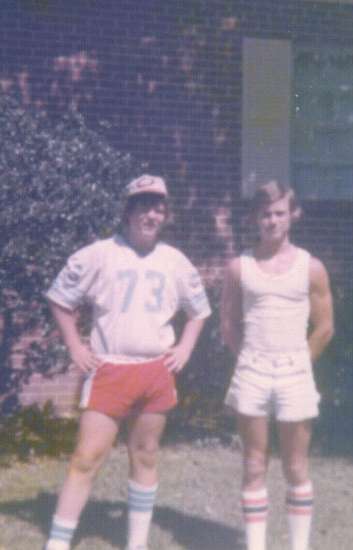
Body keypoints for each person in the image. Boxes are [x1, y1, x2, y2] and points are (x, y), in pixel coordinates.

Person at [43, 174, 211, 550]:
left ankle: (137, 543)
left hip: (155, 370)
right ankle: (57, 542)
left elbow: (199, 311)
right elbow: (60, 298)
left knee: (146, 455)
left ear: (165, 215)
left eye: (158, 208)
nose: (151, 215)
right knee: (87, 457)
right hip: (111, 368)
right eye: (144, 206)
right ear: (129, 211)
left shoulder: (174, 260)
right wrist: (74, 345)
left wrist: (185, 347)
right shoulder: (100, 253)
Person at [220, 180, 334, 550]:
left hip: (294, 372)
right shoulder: (239, 267)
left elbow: (325, 327)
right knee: (254, 465)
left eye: (279, 213)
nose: (272, 220)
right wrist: (249, 359)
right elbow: (227, 325)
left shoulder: (311, 267)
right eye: (265, 214)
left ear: (293, 215)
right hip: (253, 370)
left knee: (295, 467)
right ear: (255, 218)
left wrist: (299, 362)